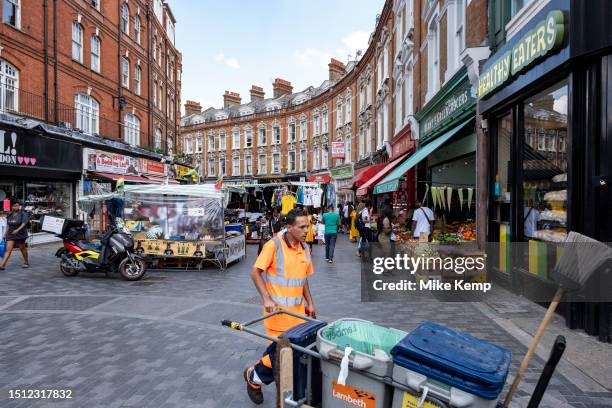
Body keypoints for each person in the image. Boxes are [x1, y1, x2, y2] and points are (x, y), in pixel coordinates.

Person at [244, 209, 316, 405]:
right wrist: (267, 299)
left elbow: (302, 279)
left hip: (299, 316)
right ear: (289, 227)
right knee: (284, 356)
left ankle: (254, 375)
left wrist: (309, 301)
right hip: (277, 316)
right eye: (301, 227)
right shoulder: (273, 245)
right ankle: (259, 380)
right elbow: (255, 273)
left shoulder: (305, 248)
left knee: (285, 354)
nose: (306, 230)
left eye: (307, 226)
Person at [0, 201, 30, 270]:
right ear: (12, 207)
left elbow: (24, 223)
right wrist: (5, 234)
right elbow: (8, 225)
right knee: (8, 250)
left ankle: (26, 262)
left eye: (17, 205)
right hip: (11, 234)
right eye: (14, 206)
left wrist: (17, 230)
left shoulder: (22, 214)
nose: (16, 207)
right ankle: (2, 265)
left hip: (20, 234)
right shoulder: (10, 214)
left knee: (22, 248)